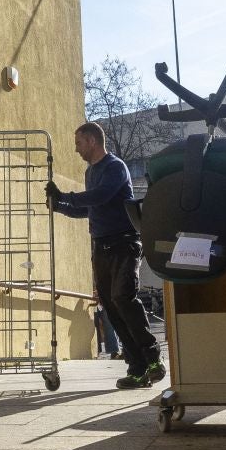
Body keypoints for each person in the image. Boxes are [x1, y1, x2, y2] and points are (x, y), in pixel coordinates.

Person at [46, 121, 163, 389]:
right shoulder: (90, 173)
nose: (76, 150)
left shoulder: (115, 167)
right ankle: (137, 368)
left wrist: (66, 195)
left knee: (124, 297)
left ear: (92, 141)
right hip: (101, 247)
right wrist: (59, 205)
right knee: (111, 306)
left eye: (78, 143)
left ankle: (153, 357)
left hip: (124, 243)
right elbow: (91, 209)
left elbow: (100, 196)